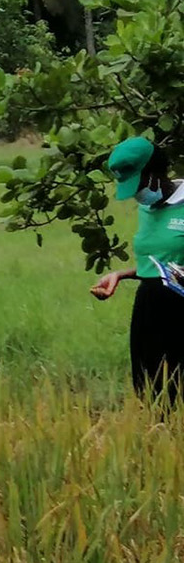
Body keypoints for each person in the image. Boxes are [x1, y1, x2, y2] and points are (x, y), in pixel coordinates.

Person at [91, 136, 184, 405]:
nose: (137, 194)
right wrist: (121, 274)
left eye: (139, 184)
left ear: (155, 174)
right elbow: (158, 261)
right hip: (150, 308)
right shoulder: (146, 208)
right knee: (152, 390)